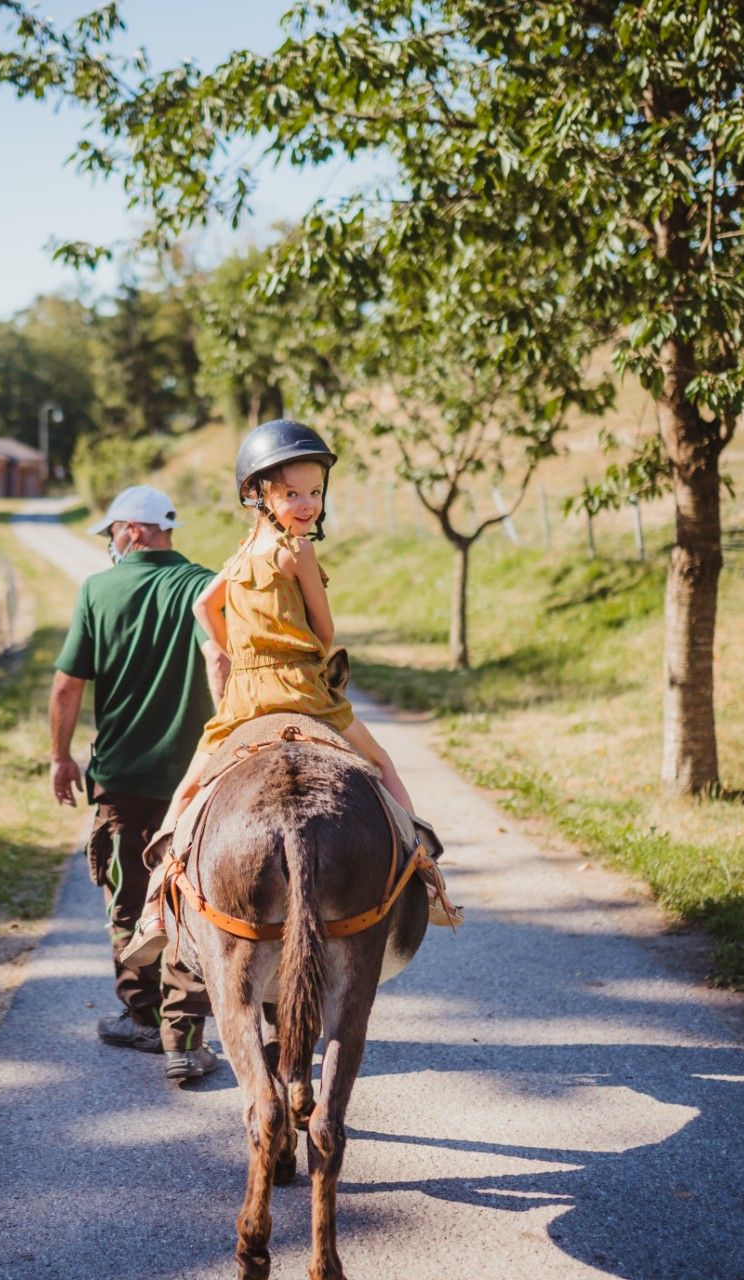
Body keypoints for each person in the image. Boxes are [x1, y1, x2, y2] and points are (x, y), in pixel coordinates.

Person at [120, 420, 454, 968]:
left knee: (188, 791)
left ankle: (157, 904)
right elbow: (324, 633)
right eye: (293, 492)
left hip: (244, 698)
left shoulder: (239, 554)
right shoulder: (297, 552)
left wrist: (238, 654)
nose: (307, 505)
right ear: (261, 494)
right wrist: (302, 649)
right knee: (382, 763)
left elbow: (204, 607)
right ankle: (424, 869)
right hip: (302, 689)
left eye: (315, 492)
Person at [50, 484, 226, 1084]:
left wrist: (60, 757)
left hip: (122, 780)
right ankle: (186, 1037)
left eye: (111, 534)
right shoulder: (208, 586)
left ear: (132, 530)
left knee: (128, 900)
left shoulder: (99, 591)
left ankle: (143, 1019)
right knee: (191, 902)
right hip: (197, 784)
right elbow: (226, 662)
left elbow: (68, 685)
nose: (110, 545)